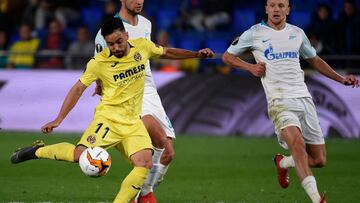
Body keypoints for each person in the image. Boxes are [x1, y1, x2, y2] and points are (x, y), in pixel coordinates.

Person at [10, 17, 214, 203]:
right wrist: (59, 118)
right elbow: (78, 88)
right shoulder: (99, 62)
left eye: (118, 41)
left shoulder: (142, 47)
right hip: (108, 120)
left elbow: (167, 52)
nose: (115, 47)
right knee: (77, 156)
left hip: (133, 122)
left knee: (144, 163)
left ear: (126, 35)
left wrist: (196, 54)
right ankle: (37, 150)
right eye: (110, 44)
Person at [222, 0, 359, 203]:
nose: (276, 9)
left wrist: (341, 78)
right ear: (266, 9)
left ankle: (283, 163)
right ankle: (316, 199)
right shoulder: (254, 32)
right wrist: (250, 68)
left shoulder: (297, 33)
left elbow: (314, 60)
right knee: (298, 145)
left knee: (319, 160)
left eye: (281, 5)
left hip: (304, 98)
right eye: (272, 5)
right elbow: (227, 56)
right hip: (279, 101)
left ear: (288, 9)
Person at [94, 1, 178, 202]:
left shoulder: (146, 24)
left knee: (168, 153)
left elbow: (151, 52)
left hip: (149, 88)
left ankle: (142, 192)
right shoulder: (106, 32)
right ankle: (144, 195)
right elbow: (100, 66)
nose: (139, 1)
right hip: (128, 92)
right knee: (155, 142)